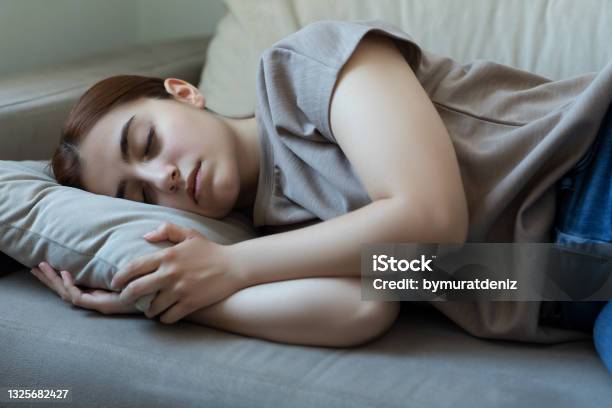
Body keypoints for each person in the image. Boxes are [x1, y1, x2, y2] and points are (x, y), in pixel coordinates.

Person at [28, 19, 612, 372]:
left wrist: (228, 265)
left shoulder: (304, 70)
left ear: (183, 92)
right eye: (140, 194)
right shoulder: (271, 239)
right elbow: (360, 309)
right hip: (571, 291)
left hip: (592, 171)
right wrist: (168, 294)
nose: (165, 179)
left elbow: (432, 219)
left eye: (148, 141)